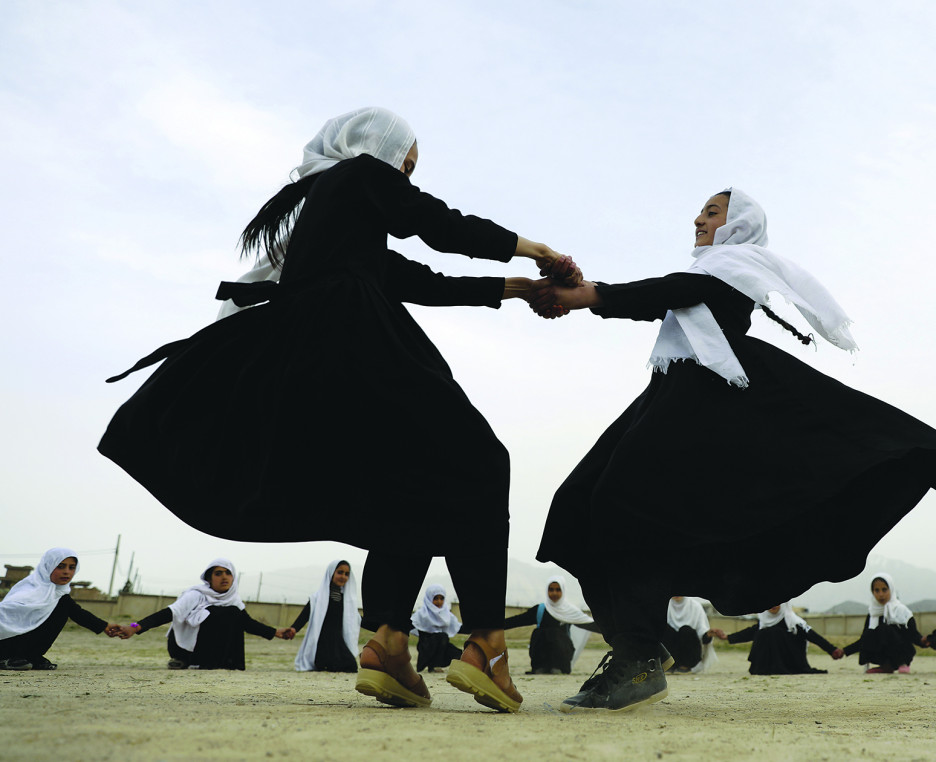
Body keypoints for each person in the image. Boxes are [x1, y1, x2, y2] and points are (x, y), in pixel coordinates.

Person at [98, 107, 581, 712]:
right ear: (373, 146)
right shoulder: (358, 175)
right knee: (483, 460)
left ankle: (388, 644)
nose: (407, 171)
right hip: (357, 341)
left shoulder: (331, 217)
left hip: (322, 350)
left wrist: (517, 290)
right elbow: (438, 224)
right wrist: (536, 251)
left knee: (415, 485)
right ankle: (486, 642)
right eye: (405, 158)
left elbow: (416, 278)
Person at [533, 188, 936, 711]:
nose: (697, 218)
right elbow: (674, 295)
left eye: (712, 212)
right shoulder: (717, 269)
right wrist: (588, 296)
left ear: (739, 225)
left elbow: (675, 289)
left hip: (704, 404)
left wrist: (588, 295)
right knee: (581, 504)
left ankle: (639, 657)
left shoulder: (736, 263)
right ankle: (636, 649)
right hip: (669, 396)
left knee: (623, 512)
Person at [114, 559, 293, 670]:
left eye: (228, 573)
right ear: (209, 579)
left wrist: (276, 632)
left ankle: (224, 661)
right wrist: (134, 628)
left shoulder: (234, 601)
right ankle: (183, 660)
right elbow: (168, 613)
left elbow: (248, 624)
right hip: (186, 648)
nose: (224, 577)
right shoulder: (196, 595)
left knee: (232, 614)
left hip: (217, 654)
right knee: (216, 614)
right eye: (218, 573)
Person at [0, 548, 119, 670]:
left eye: (71, 568)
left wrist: (105, 626)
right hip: (4, 644)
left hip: (24, 647)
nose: (66, 572)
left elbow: (78, 613)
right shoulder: (29, 589)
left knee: (62, 607)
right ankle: (6, 657)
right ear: (48, 567)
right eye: (60, 567)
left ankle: (31, 655)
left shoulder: (59, 595)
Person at [502, 576, 600, 674]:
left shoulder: (569, 612)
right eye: (551, 589)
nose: (554, 593)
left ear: (563, 591)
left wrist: (613, 634)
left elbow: (590, 624)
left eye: (558, 590)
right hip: (540, 659)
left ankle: (557, 667)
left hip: (561, 659)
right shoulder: (540, 609)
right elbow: (517, 620)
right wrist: (493, 626)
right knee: (539, 633)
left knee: (555, 633)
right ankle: (540, 667)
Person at [726, 603, 844, 675]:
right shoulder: (763, 620)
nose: (773, 605)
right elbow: (748, 633)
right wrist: (727, 637)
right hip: (764, 667)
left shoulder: (793, 621)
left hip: (791, 663)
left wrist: (832, 650)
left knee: (774, 632)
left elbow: (812, 635)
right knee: (762, 633)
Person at [286, 560, 360, 672]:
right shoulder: (318, 598)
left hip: (339, 641)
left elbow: (357, 619)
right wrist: (293, 629)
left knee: (351, 666)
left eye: (346, 574)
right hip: (322, 641)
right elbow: (305, 615)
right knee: (327, 665)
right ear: (331, 573)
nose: (343, 577)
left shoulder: (347, 601)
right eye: (340, 572)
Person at [841, 574, 924, 674]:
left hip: (902, 652)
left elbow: (912, 634)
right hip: (884, 656)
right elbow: (863, 640)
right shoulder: (873, 613)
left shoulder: (902, 611)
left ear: (891, 590)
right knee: (869, 633)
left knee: (884, 629)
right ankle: (885, 666)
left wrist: (924, 641)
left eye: (884, 590)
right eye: (877, 590)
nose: (881, 594)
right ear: (872, 592)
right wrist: (844, 651)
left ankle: (902, 664)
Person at [661, 597, 724, 673]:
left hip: (690, 654)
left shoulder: (695, 606)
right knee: (665, 629)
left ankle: (685, 666)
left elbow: (702, 633)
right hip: (671, 654)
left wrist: (708, 634)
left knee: (686, 630)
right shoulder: (663, 605)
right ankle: (669, 665)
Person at [411, 584, 462, 673]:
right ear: (429, 599)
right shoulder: (421, 614)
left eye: (441, 598)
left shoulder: (446, 614)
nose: (439, 601)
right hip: (426, 647)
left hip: (441, 646)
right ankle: (433, 666)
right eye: (435, 598)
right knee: (442, 637)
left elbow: (458, 627)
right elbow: (412, 625)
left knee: (458, 653)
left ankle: (439, 664)